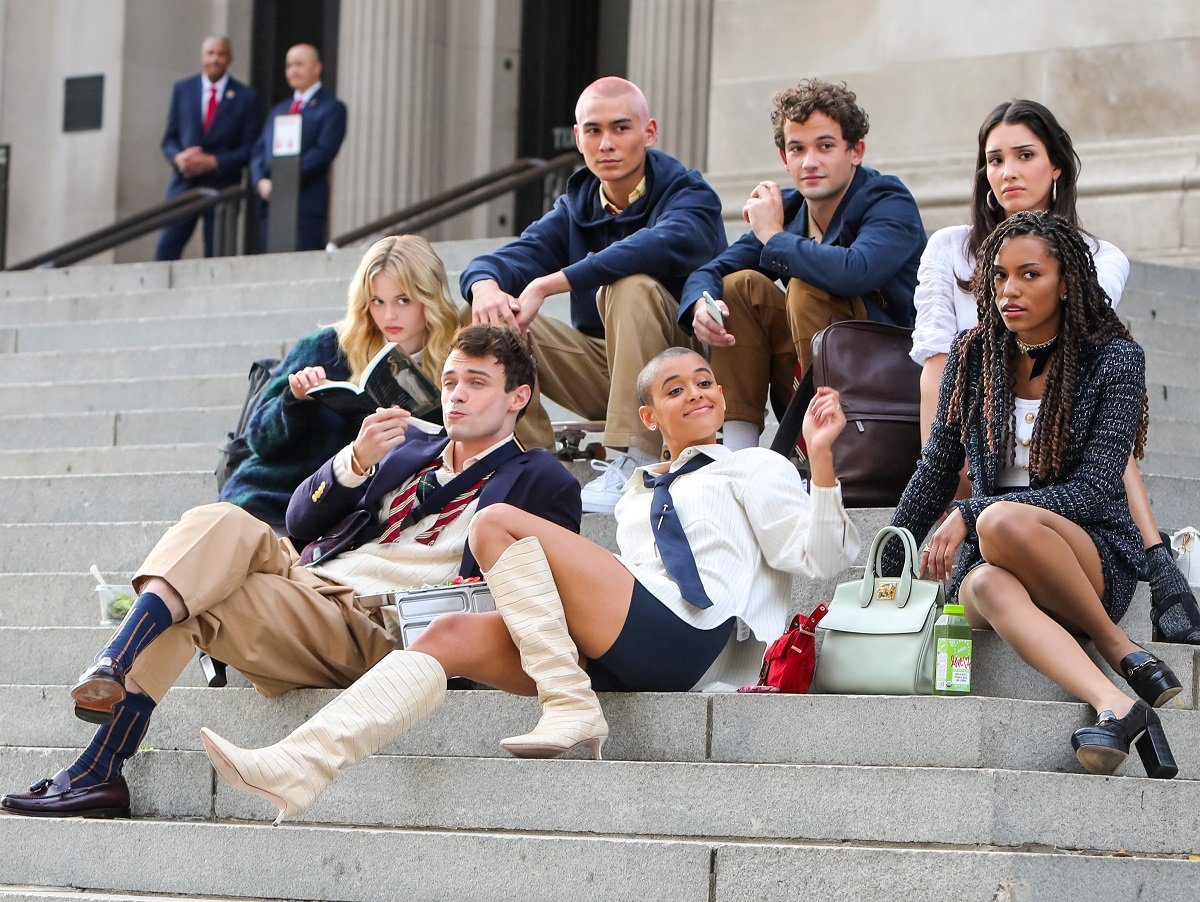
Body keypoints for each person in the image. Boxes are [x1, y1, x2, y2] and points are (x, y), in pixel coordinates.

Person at [197, 347, 860, 825]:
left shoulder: (752, 467)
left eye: (706, 382)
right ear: (649, 418)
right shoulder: (632, 499)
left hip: (693, 638)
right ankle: (298, 767)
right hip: (626, 641)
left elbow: (821, 558)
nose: (697, 395)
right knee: (451, 634)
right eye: (676, 389)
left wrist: (821, 461)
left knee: (495, 523)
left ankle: (570, 705)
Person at [0, 325, 581, 819]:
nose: (456, 396)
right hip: (314, 578)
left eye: (476, 384)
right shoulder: (408, 450)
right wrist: (354, 461)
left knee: (198, 597)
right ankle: (115, 666)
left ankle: (100, 764)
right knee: (222, 517)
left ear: (517, 397)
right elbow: (300, 519)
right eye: (450, 381)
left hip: (378, 623)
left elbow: (538, 595)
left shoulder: (540, 480)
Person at [888, 210, 1178, 779]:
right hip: (995, 559)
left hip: (1084, 553)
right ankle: (1117, 700)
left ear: (1066, 282)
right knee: (987, 579)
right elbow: (936, 470)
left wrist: (974, 512)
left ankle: (1113, 641)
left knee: (1001, 520)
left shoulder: (1115, 361)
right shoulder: (973, 356)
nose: (1008, 290)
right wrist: (890, 559)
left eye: (1029, 275)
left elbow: (1095, 491)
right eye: (997, 276)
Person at [910, 99, 1199, 645]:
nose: (1008, 172)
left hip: (1064, 454)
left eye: (1024, 155)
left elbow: (1080, 356)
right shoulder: (950, 249)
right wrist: (948, 480)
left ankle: (1154, 556)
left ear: (1057, 166)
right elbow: (938, 365)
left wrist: (975, 508)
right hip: (985, 428)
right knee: (989, 542)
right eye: (995, 160)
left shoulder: (1097, 258)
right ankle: (1121, 674)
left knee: (1098, 405)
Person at [461, 76, 727, 512]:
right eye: (593, 130)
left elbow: (650, 246)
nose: (606, 143)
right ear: (579, 136)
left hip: (683, 374)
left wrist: (550, 283)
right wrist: (486, 286)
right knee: (491, 318)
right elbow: (508, 258)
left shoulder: (689, 194)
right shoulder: (576, 206)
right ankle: (533, 463)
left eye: (621, 128)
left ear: (650, 132)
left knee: (630, 286)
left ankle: (636, 460)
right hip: (608, 371)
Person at [681, 79, 926, 451]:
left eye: (825, 146)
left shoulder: (887, 200)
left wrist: (773, 237)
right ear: (784, 158)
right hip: (805, 383)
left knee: (807, 285)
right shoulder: (791, 210)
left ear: (855, 150)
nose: (810, 162)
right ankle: (739, 453)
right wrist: (702, 304)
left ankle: (831, 449)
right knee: (739, 286)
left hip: (884, 389)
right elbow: (712, 271)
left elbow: (854, 271)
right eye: (797, 149)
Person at [219, 234, 460, 529]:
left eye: (403, 300)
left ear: (429, 298)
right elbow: (258, 439)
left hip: (347, 518)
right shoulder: (327, 347)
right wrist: (295, 402)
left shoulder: (454, 362)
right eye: (377, 301)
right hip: (270, 496)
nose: (389, 315)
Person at [155, 36, 261, 261]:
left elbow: (250, 147)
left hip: (221, 185)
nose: (215, 59)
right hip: (184, 184)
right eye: (210, 53)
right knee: (166, 247)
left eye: (221, 54)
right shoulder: (183, 89)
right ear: (202, 57)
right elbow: (169, 139)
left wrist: (215, 162)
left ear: (230, 59)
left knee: (218, 252)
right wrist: (179, 158)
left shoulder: (246, 97)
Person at [249, 44, 347, 251]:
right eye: (289, 65)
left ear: (317, 68)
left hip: (305, 203)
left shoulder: (331, 108)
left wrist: (285, 180)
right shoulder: (279, 110)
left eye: (299, 64)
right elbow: (259, 150)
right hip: (272, 205)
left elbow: (324, 151)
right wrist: (260, 181)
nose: (293, 70)